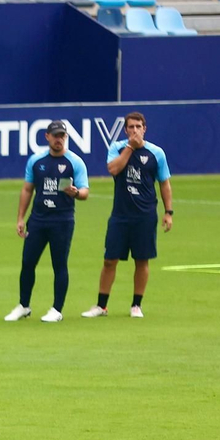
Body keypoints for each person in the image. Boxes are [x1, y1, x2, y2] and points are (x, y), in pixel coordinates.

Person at [83, 112, 172, 319]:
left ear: (145, 129)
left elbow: (164, 183)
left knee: (142, 260)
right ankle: (101, 306)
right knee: (109, 260)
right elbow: (113, 169)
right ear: (125, 130)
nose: (135, 130)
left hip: (145, 215)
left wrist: (168, 212)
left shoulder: (156, 153)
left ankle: (136, 305)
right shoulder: (117, 148)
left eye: (138, 127)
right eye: (131, 127)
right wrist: (130, 147)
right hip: (120, 215)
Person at [4, 120, 90, 324]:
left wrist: (76, 192)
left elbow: (85, 191)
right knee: (27, 263)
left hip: (62, 220)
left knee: (59, 264)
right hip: (38, 219)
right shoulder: (37, 161)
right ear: (47, 137)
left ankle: (57, 309)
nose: (59, 139)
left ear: (66, 138)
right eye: (55, 135)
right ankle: (23, 306)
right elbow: (27, 189)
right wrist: (20, 218)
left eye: (62, 136)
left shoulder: (74, 162)